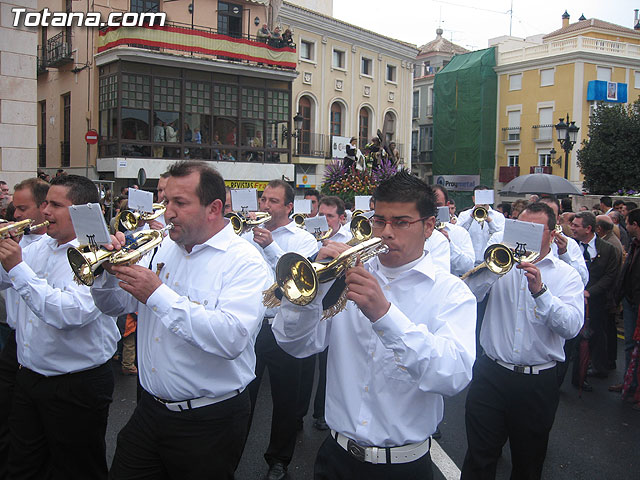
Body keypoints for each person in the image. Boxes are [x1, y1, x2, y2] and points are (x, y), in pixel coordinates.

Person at [273, 171, 476, 479]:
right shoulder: (347, 275)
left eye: (402, 222)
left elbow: (453, 376)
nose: (387, 233)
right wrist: (312, 293)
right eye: (380, 221)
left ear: (429, 227)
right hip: (335, 458)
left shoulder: (451, 292)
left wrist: (384, 315)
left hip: (403, 466)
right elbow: (296, 344)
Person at [92, 161, 272, 480]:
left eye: (180, 203)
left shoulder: (246, 262)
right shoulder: (162, 247)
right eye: (166, 202)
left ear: (214, 208)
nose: (168, 213)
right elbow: (114, 306)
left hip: (209, 422)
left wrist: (158, 293)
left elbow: (231, 338)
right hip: (149, 410)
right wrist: (106, 276)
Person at [0, 175, 120, 480]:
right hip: (30, 376)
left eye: (55, 204)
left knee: (77, 469)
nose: (45, 212)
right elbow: (7, 281)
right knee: (22, 465)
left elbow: (69, 313)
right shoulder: (39, 246)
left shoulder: (96, 252)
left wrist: (17, 268)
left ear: (82, 211)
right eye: (44, 203)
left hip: (76, 385)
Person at [461, 202, 584, 480]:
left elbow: (572, 327)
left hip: (536, 382)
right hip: (491, 374)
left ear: (552, 234)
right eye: (519, 227)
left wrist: (541, 292)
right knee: (479, 459)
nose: (524, 234)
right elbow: (468, 295)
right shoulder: (499, 264)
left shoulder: (567, 275)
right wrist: (492, 271)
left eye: (534, 229)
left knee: (528, 464)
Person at [243, 180, 318, 480]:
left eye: (273, 201)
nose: (265, 206)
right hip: (250, 326)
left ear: (289, 207)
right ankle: (231, 450)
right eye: (263, 200)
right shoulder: (244, 236)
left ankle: (279, 459)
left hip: (283, 327)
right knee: (242, 394)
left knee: (286, 399)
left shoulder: (303, 241)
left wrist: (271, 247)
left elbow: (298, 284)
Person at [0, 178, 50, 479]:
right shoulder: (17, 240)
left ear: (42, 209)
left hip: (46, 347)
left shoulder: (55, 246)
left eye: (23, 208)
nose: (16, 215)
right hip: (16, 343)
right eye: (14, 208)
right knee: (10, 421)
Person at [296, 196, 352, 433]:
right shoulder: (307, 238)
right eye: (321, 215)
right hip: (311, 306)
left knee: (328, 365)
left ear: (341, 218)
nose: (324, 220)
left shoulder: (350, 240)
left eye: (330, 216)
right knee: (303, 365)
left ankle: (322, 413)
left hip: (336, 309)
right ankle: (297, 414)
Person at [569, 211, 619, 387]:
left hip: (596, 302)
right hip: (572, 298)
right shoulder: (569, 246)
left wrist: (590, 292)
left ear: (588, 228)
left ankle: (591, 371)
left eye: (576, 225)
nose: (572, 228)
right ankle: (573, 376)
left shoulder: (608, 249)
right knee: (571, 339)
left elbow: (610, 275)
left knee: (594, 337)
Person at [610, 208, 640, 398]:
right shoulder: (634, 244)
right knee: (629, 344)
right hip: (630, 301)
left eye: (627, 222)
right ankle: (630, 382)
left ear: (635, 225)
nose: (625, 226)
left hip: (636, 302)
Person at [432, 184, 474, 277]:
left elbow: (468, 267)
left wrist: (449, 245)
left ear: (446, 205)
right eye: (430, 205)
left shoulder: (460, 233)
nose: (434, 210)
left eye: (438, 205)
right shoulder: (415, 232)